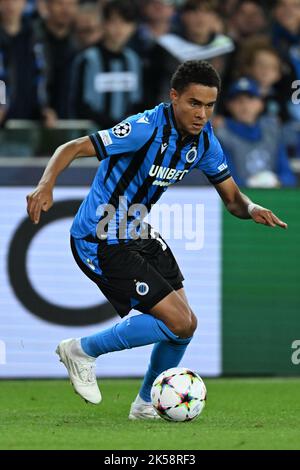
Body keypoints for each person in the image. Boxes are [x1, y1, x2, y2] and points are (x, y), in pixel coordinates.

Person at [26, 60, 287, 420]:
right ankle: (81, 350)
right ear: (174, 96)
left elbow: (232, 200)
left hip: (137, 232)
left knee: (186, 326)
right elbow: (71, 147)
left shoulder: (205, 142)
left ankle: (145, 403)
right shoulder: (144, 128)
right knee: (177, 321)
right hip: (99, 237)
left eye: (210, 105)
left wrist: (252, 206)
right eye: (194, 103)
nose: (202, 114)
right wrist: (45, 184)